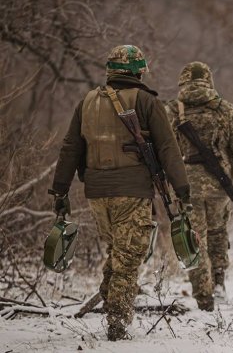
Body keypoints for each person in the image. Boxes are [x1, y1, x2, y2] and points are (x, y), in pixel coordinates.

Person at [49, 44, 190, 341]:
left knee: (119, 251)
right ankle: (117, 323)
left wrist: (60, 190)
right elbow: (168, 147)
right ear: (138, 71)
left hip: (97, 193)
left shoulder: (87, 101)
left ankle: (110, 295)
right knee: (129, 257)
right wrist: (182, 188)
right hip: (132, 191)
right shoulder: (147, 101)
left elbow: (70, 148)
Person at [166, 61, 233, 311]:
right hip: (219, 184)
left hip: (184, 186)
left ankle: (203, 294)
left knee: (194, 238)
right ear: (209, 81)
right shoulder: (225, 109)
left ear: (183, 81)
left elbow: (162, 150)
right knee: (218, 233)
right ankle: (219, 284)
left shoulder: (171, 110)